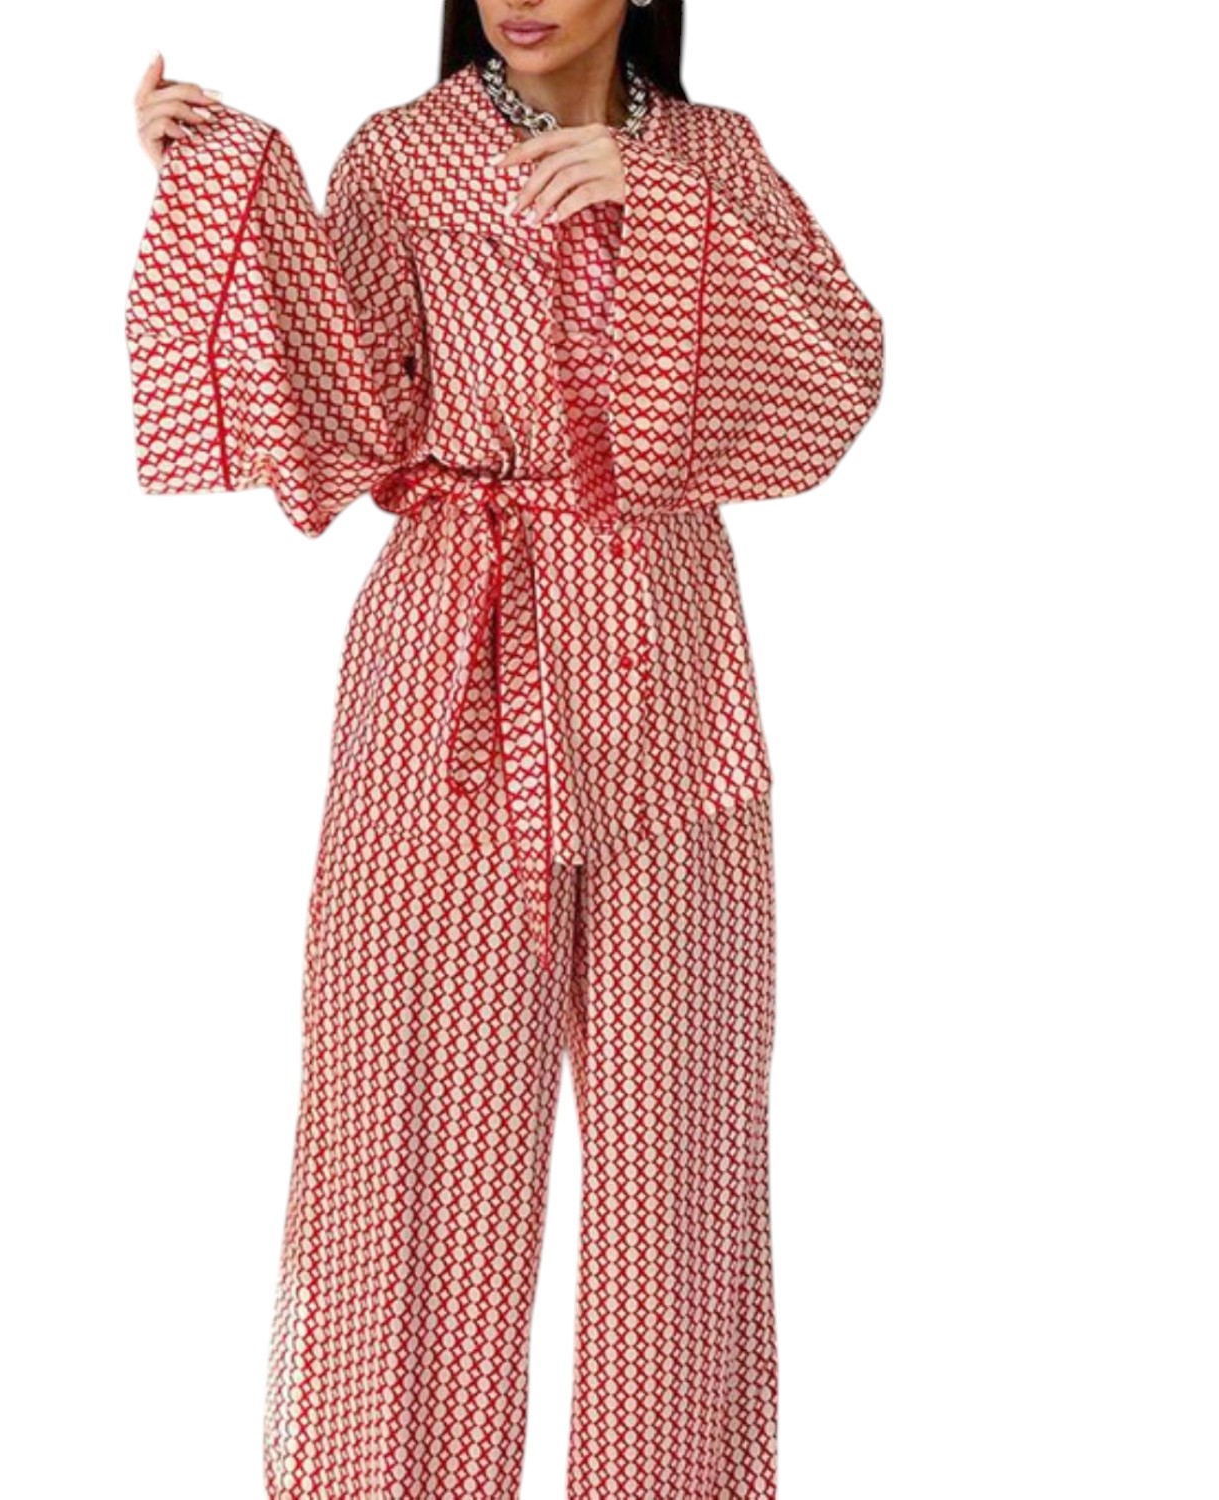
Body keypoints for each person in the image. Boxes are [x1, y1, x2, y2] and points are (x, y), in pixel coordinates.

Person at [126, 4, 883, 1497]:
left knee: (682, 1139)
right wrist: (226, 189)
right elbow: (338, 420)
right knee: (407, 1121)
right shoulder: (404, 157)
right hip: (447, 666)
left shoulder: (718, 158)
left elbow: (835, 385)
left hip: (666, 660)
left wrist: (666, 208)